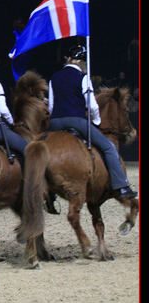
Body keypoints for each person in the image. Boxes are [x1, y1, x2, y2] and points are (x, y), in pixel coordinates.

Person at [48, 44, 137, 199]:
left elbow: (50, 106)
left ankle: (48, 189)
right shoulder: (83, 78)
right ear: (83, 62)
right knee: (109, 147)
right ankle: (121, 186)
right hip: (76, 120)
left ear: (68, 59)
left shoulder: (54, 77)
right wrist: (96, 121)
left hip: (55, 122)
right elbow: (92, 105)